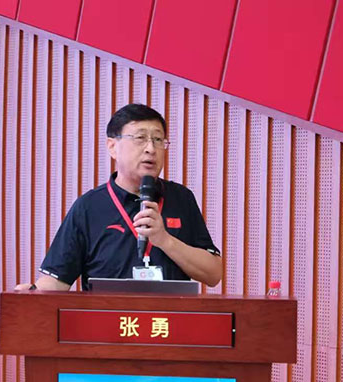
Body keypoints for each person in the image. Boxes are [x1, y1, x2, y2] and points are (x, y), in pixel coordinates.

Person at [16, 103, 222, 291]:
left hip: (168, 320)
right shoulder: (89, 207)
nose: (151, 149)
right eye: (140, 138)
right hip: (108, 319)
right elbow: (57, 279)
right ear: (112, 147)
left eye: (158, 140)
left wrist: (164, 240)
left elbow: (213, 274)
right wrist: (34, 292)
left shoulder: (181, 198)